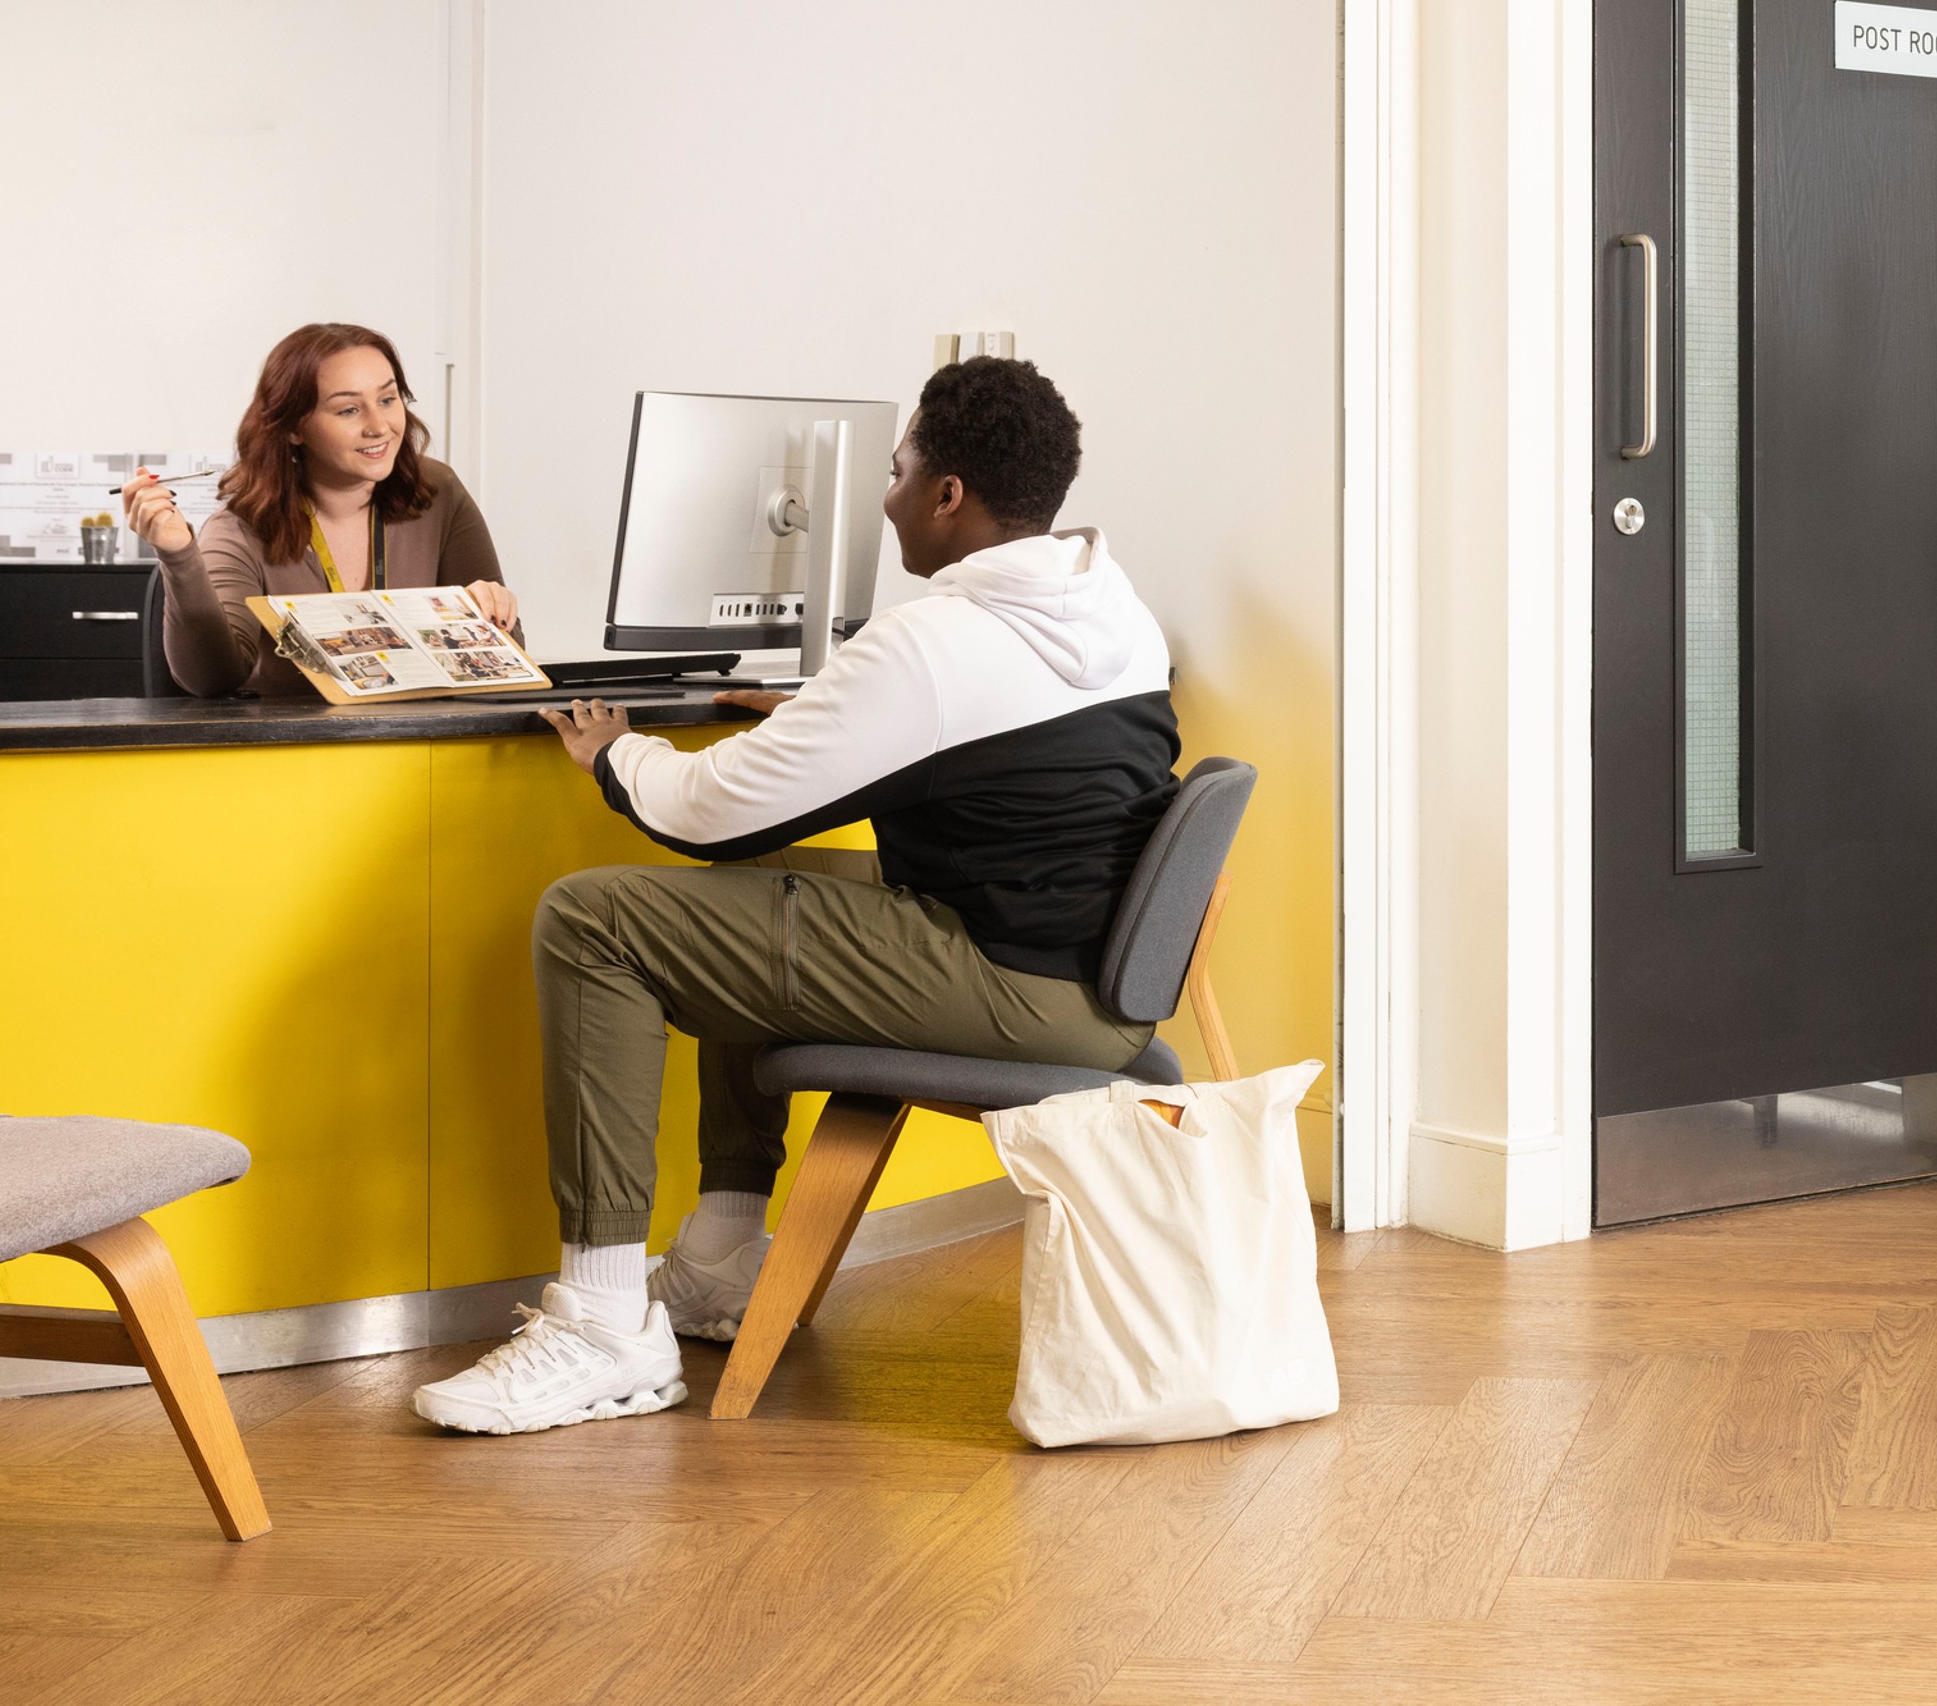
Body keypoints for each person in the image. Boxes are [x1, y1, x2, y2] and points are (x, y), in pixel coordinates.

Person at [410, 355, 1178, 1436]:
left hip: (1010, 983)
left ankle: (602, 1324)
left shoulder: (932, 643)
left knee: (596, 917)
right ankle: (722, 1256)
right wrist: (835, 706)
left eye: (903, 467)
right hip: (1091, 972)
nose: (887, 492)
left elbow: (715, 808)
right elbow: (965, 731)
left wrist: (617, 756)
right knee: (754, 896)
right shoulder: (1107, 602)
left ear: (950, 494)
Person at [123, 322, 522, 697]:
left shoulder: (437, 490)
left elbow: (509, 656)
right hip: (299, 754)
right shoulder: (238, 529)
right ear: (294, 428)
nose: (379, 426)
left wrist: (491, 611)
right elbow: (213, 680)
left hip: (422, 746)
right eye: (349, 410)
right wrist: (177, 554)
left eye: (387, 399)